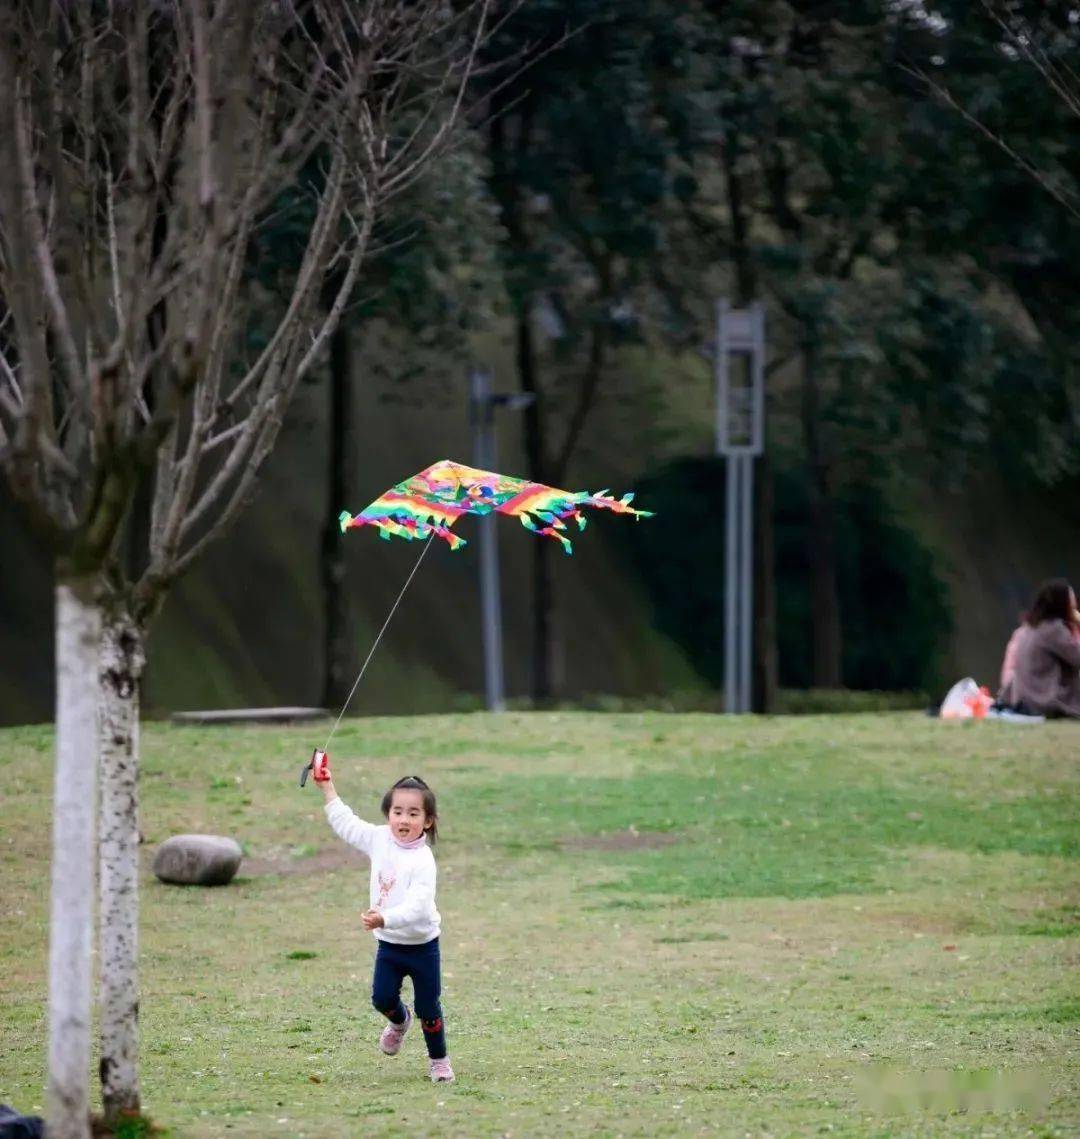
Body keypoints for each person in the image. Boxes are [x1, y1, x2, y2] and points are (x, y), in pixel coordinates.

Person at [314, 763, 454, 1082]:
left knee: (429, 1008)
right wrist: (326, 786)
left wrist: (384, 917)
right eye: (397, 812)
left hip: (423, 947)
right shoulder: (378, 839)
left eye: (414, 814)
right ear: (388, 814)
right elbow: (346, 823)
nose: (404, 819)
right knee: (381, 998)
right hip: (389, 945)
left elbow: (418, 907)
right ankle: (399, 1021)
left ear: (428, 821)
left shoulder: (422, 860)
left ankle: (439, 1061)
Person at [998, 578, 1080, 719]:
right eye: (1071, 604)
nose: (1074, 608)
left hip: (1023, 698)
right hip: (1044, 699)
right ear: (1062, 604)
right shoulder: (1053, 629)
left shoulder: (1030, 627)